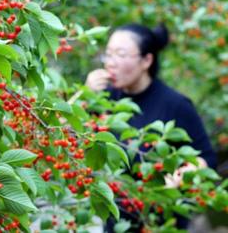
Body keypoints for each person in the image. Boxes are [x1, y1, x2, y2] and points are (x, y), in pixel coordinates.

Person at [85, 23, 217, 231]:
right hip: (116, 223)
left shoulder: (175, 104)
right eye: (108, 55)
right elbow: (65, 136)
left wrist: (183, 173)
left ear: (146, 60)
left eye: (120, 55)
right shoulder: (103, 97)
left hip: (160, 223)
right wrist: (85, 96)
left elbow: (207, 158)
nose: (111, 63)